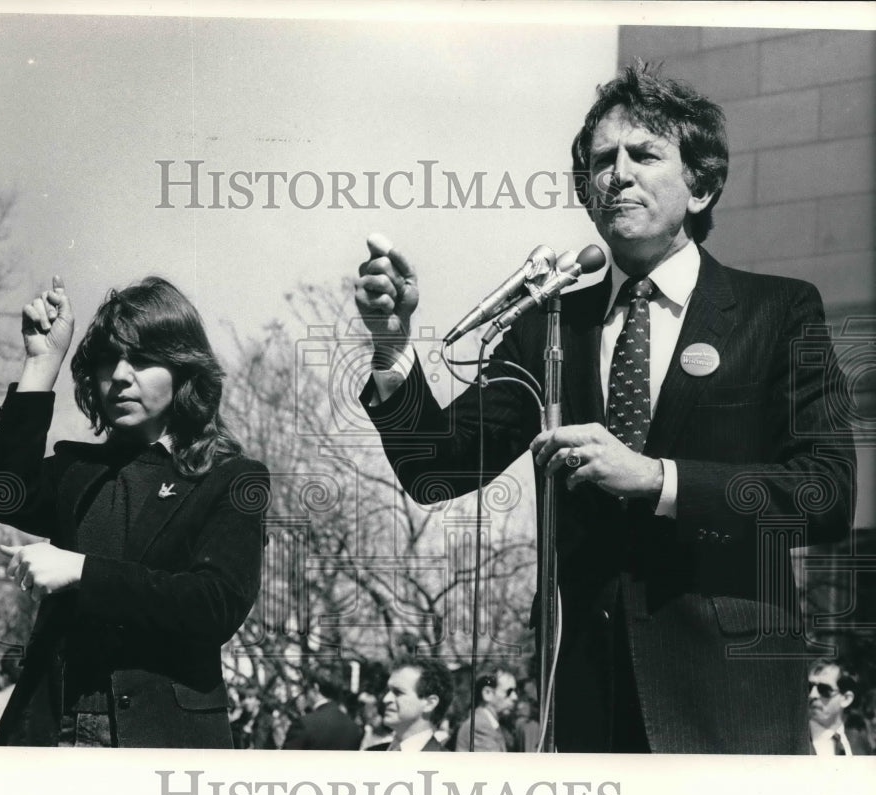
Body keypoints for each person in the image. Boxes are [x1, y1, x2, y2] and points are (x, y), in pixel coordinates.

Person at [354, 64, 855, 753]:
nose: (617, 174)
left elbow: (826, 493)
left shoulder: (779, 312)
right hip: (587, 701)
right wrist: (391, 348)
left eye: (644, 155)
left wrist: (660, 478)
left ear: (702, 184)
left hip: (729, 705)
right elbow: (434, 468)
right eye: (600, 162)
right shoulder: (549, 326)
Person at [0, 275, 269, 748]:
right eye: (109, 359)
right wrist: (41, 363)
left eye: (144, 359)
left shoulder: (232, 478)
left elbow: (214, 605)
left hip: (163, 740)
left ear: (184, 368)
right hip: (53, 730)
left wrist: (82, 572)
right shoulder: (78, 469)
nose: (121, 374)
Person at [367, 656, 454, 752]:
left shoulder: (447, 764)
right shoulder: (369, 754)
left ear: (429, 703)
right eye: (387, 691)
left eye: (398, 692)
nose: (385, 699)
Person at [281, 668, 362, 750]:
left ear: (316, 688)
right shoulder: (353, 728)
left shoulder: (304, 724)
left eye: (306, 689)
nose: (305, 694)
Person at [807, 659, 870, 756]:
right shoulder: (793, 740)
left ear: (846, 699)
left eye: (824, 689)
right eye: (809, 687)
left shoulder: (859, 741)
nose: (812, 695)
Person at [454, 668, 517, 752]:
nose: (515, 697)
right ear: (487, 693)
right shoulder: (479, 727)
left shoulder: (489, 724)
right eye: (509, 692)